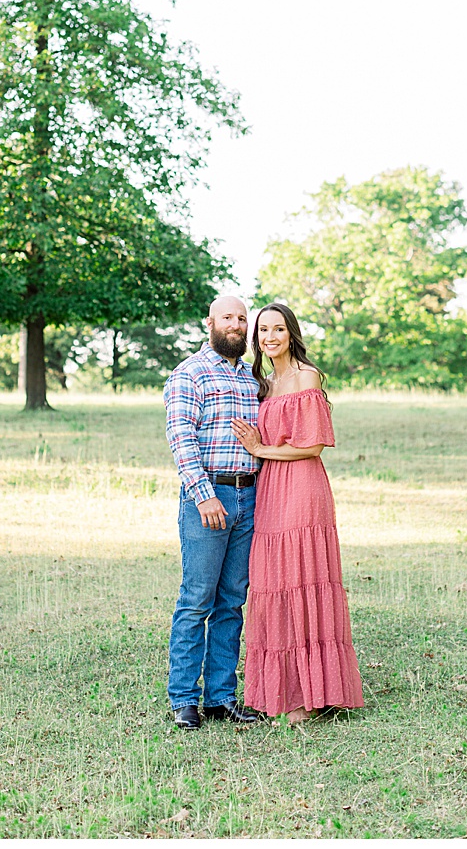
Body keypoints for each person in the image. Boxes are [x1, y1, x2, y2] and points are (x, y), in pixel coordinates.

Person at [232, 302, 364, 724]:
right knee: (275, 582)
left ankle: (314, 695)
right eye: (263, 330)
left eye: (278, 329)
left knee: (304, 577)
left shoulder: (307, 376)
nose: (270, 337)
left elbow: (312, 445)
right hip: (271, 489)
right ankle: (286, 692)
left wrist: (260, 449)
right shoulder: (264, 384)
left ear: (291, 334)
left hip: (303, 486)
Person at [164, 295, 266, 729]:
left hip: (250, 497)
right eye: (228, 317)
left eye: (243, 318)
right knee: (197, 599)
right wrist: (203, 495)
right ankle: (184, 698)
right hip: (209, 499)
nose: (237, 325)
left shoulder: (253, 379)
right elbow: (181, 437)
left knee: (232, 602)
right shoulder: (190, 373)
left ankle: (221, 698)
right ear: (209, 322)